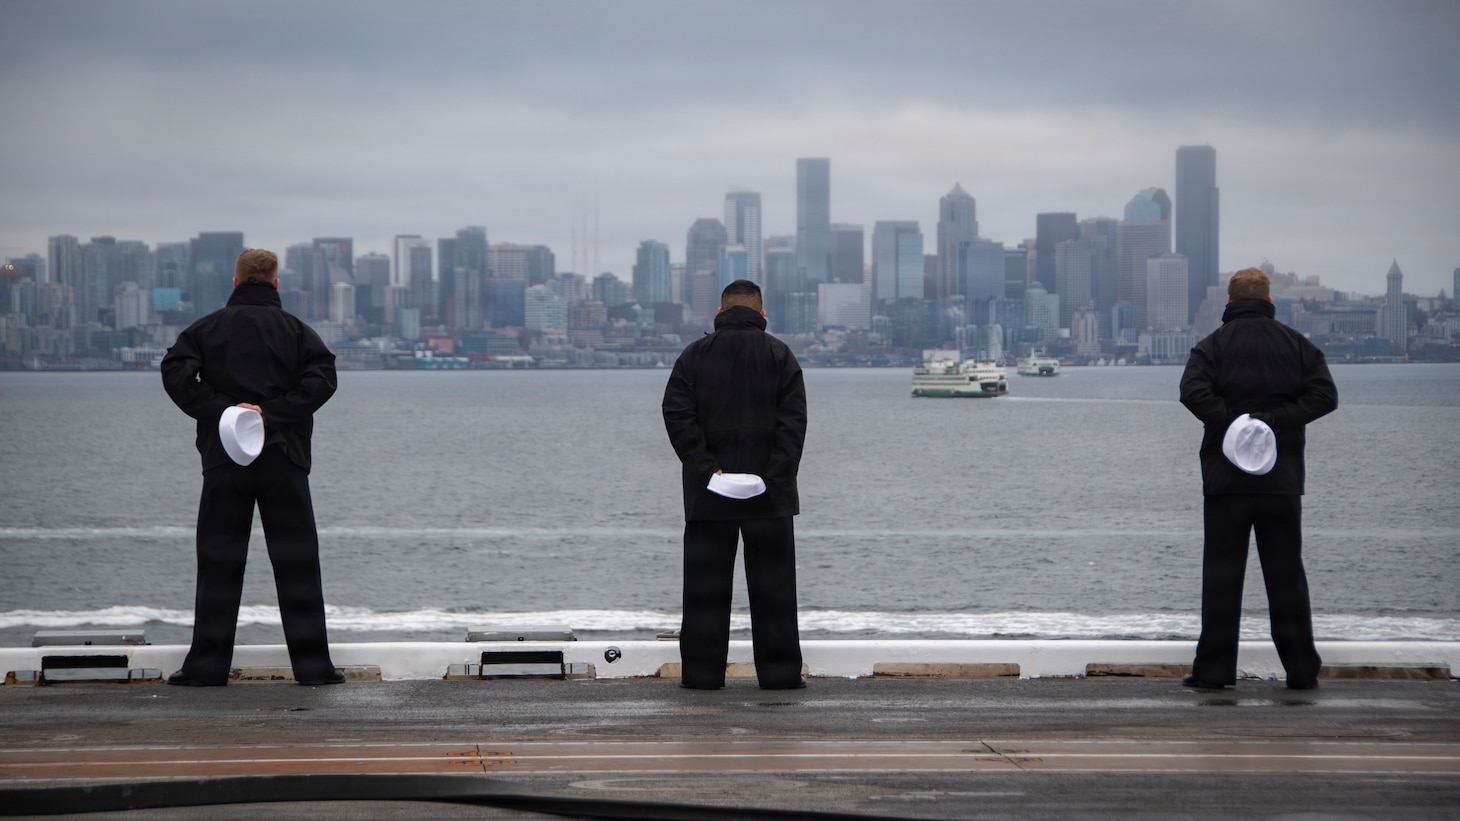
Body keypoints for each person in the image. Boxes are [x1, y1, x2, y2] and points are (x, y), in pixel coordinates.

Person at [160, 249, 343, 686]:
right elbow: (323, 378)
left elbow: (175, 372)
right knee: (297, 563)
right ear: (276, 284)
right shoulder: (298, 332)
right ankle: (315, 669)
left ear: (235, 281)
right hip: (285, 457)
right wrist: (271, 414)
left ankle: (206, 669)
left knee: (219, 561)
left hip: (225, 458)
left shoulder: (205, 329)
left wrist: (227, 411)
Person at [1179, 267, 1338, 690]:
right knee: (1286, 576)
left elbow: (1191, 392)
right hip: (1281, 482)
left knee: (1221, 575)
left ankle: (1214, 671)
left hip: (1225, 483)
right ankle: (1301, 670)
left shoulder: (1210, 347)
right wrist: (1274, 422)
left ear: (1228, 301)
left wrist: (1234, 425)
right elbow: (1325, 396)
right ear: (1270, 302)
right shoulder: (1298, 346)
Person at [662, 279, 808, 690]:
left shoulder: (694, 356)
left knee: (705, 592)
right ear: (762, 314)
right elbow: (793, 424)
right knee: (774, 593)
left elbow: (677, 416)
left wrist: (709, 471)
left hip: (710, 496)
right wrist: (771, 477)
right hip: (770, 496)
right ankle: (779, 676)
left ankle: (702, 676)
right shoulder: (781, 355)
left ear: (721, 312)